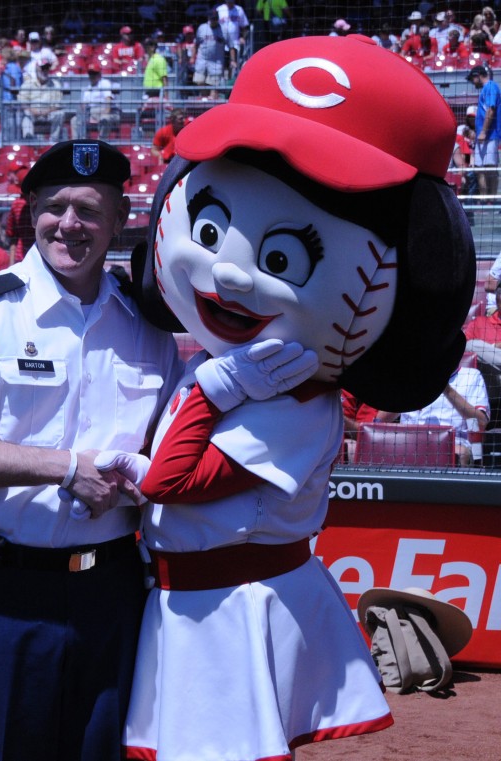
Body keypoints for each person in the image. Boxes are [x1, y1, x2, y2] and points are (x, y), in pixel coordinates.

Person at [119, 34, 474, 759]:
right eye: (211, 229)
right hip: (186, 602)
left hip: (235, 610)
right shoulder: (220, 364)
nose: (232, 274)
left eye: (280, 259)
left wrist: (214, 391)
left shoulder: (298, 401)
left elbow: (168, 481)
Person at [0, 139, 184, 761]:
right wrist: (63, 470)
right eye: (55, 206)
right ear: (32, 211)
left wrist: (150, 480)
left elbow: (164, 453)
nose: (70, 224)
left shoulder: (149, 332)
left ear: (120, 218)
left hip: (112, 594)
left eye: (89, 209)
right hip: (3, 595)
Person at [376, 367, 490, 466]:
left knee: (458, 452)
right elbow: (379, 420)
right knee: (359, 449)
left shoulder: (471, 376)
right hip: (406, 442)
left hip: (452, 443)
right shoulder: (411, 375)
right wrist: (405, 393)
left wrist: (446, 389)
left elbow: (480, 422)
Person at [466, 64, 501, 200]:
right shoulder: (487, 88)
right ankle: (484, 199)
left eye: (472, 79)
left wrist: (484, 132)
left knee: (489, 167)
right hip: (484, 135)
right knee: (479, 168)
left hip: (490, 135)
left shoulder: (491, 86)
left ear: (478, 76)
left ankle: (491, 200)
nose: (472, 82)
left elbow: (491, 110)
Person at [18, 56, 65, 142]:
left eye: (47, 68)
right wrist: (33, 110)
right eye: (42, 68)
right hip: (32, 112)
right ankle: (29, 139)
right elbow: (22, 102)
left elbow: (59, 104)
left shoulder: (56, 84)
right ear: (37, 69)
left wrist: (47, 111)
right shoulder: (28, 84)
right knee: (26, 114)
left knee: (60, 113)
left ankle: (53, 141)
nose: (45, 70)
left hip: (49, 113)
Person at [71, 64, 117, 139]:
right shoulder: (88, 88)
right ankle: (79, 142)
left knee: (105, 119)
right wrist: (84, 114)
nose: (92, 76)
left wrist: (105, 112)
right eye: (90, 74)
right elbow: (84, 104)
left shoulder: (104, 83)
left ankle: (101, 143)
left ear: (99, 74)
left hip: (104, 110)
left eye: (94, 73)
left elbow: (108, 99)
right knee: (74, 120)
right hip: (90, 112)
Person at [193, 9, 228, 98]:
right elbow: (196, 44)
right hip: (202, 59)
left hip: (216, 61)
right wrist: (193, 56)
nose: (214, 20)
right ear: (209, 18)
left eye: (215, 18)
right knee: (199, 81)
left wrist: (232, 60)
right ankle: (204, 98)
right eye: (212, 18)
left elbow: (230, 46)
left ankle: (211, 101)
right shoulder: (202, 28)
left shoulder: (223, 29)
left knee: (214, 85)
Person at [465, 281, 501, 366]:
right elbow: (465, 349)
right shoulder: (479, 323)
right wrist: (493, 347)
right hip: (491, 376)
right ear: (497, 299)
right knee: (470, 345)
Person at [216, 0, 249, 78]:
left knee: (233, 65)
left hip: (235, 43)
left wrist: (242, 37)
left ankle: (230, 84)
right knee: (222, 65)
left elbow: (245, 26)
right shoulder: (219, 9)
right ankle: (222, 83)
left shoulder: (239, 9)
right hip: (222, 44)